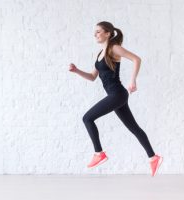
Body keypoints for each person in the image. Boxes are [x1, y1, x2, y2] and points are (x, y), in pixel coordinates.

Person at [68, 21, 163, 177]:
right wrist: (77, 70)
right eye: (95, 32)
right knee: (134, 128)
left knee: (87, 118)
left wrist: (133, 80)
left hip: (117, 94)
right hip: (116, 96)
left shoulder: (114, 48)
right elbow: (92, 77)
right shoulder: (99, 53)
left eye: (98, 31)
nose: (95, 34)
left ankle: (99, 153)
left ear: (108, 33)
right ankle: (153, 157)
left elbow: (136, 59)